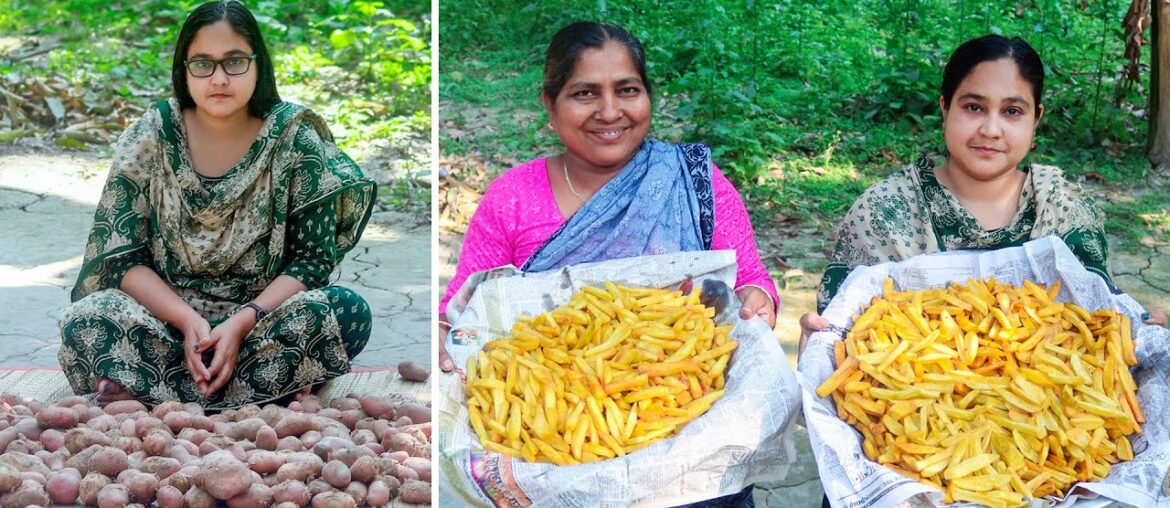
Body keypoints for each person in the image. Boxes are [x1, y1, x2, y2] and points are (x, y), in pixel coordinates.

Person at [439, 21, 777, 507]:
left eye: (627, 90)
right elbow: (462, 309)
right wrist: (444, 335)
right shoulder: (512, 196)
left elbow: (750, 281)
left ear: (648, 97)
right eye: (584, 93)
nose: (610, 111)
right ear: (548, 103)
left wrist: (759, 300)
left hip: (688, 449)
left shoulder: (697, 181)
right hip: (552, 460)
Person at [57, 0, 376, 410]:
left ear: (258, 64)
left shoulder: (295, 140)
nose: (220, 78)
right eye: (203, 64)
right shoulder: (151, 135)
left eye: (235, 62)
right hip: (167, 326)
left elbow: (311, 263)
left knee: (345, 312)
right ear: (183, 69)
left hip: (261, 324)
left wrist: (242, 323)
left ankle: (151, 392)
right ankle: (265, 394)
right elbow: (121, 259)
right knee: (89, 317)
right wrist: (189, 322)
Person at [798, 34, 1151, 349]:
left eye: (1012, 111)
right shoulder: (884, 212)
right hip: (911, 413)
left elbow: (1102, 324)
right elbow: (842, 334)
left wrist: (1139, 331)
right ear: (945, 109)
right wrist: (819, 338)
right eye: (973, 107)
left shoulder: (1066, 211)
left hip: (1054, 416)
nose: (991, 129)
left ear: (1035, 121)